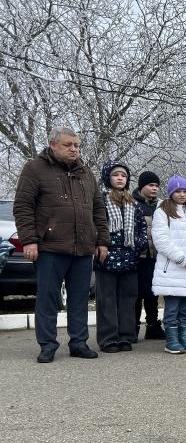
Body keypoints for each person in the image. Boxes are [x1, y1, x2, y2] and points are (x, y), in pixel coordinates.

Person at [12, 127, 110, 363]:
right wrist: (29, 240)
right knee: (47, 299)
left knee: (79, 299)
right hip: (49, 248)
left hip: (83, 248)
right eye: (69, 145)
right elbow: (23, 206)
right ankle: (47, 345)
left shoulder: (86, 172)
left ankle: (78, 342)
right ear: (53, 145)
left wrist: (102, 241)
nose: (74, 149)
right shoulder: (34, 168)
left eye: (77, 145)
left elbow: (98, 209)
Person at [94, 161, 147, 353]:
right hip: (106, 257)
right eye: (116, 175)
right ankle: (108, 339)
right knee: (106, 299)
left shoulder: (134, 204)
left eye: (123, 175)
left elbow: (141, 227)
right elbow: (96, 225)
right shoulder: (100, 200)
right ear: (108, 178)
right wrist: (100, 244)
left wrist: (139, 245)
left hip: (130, 258)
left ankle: (126, 336)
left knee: (128, 298)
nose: (120, 178)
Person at [151, 175, 186, 354]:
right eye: (178, 191)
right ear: (170, 193)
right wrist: (183, 260)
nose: (182, 194)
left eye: (185, 191)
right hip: (173, 270)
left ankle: (185, 337)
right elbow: (161, 241)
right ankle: (172, 340)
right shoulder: (162, 212)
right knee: (172, 308)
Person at [133, 170, 165, 340]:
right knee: (137, 293)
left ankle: (153, 325)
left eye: (157, 186)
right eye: (151, 185)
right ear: (141, 186)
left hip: (156, 256)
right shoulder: (132, 203)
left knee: (153, 292)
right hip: (139, 256)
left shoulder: (161, 206)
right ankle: (133, 326)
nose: (154, 189)